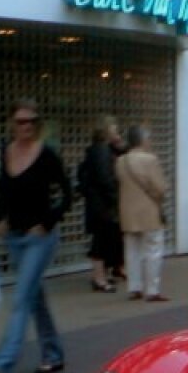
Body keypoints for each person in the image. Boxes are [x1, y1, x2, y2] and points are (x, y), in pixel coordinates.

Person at [0, 98, 71, 373]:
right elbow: (2, 191)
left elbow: (68, 194)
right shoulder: (6, 152)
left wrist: (47, 223)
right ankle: (53, 353)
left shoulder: (47, 155)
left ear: (38, 124)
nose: (26, 127)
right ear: (12, 124)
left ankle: (4, 363)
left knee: (21, 297)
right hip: (14, 237)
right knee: (34, 297)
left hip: (39, 239)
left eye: (31, 122)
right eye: (21, 121)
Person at [115, 124, 170, 302]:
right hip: (149, 211)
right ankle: (152, 290)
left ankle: (134, 287)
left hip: (128, 213)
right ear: (143, 140)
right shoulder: (150, 160)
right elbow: (161, 188)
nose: (150, 141)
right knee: (153, 250)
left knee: (132, 251)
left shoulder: (120, 161)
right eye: (149, 138)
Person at [77, 116, 123, 292]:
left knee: (102, 239)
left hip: (97, 204)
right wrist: (114, 197)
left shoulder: (99, 149)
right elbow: (105, 178)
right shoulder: (102, 151)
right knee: (101, 241)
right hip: (102, 205)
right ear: (106, 130)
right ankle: (99, 279)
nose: (116, 131)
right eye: (113, 128)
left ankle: (101, 276)